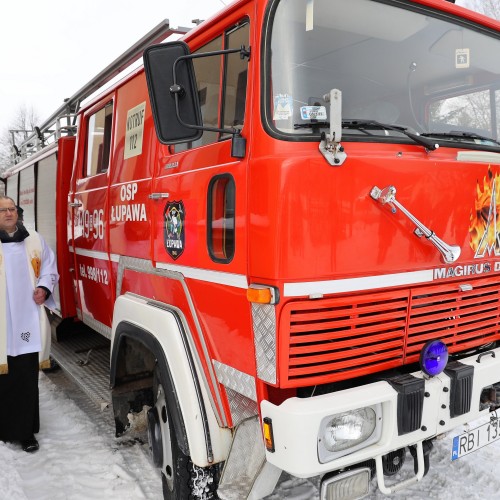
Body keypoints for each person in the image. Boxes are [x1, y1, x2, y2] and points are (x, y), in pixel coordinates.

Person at [0, 195, 59, 452]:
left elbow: (49, 268)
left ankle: (25, 433)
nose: (9, 213)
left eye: (12, 209)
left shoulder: (34, 240)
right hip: (2, 325)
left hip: (25, 322)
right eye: (3, 210)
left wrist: (44, 288)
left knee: (24, 376)